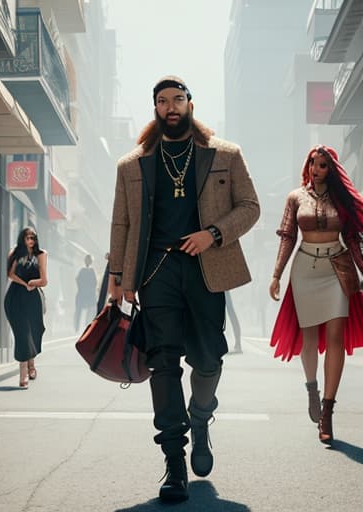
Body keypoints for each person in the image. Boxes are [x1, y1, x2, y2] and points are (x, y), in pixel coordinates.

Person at [108, 76, 260, 503]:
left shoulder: (225, 155)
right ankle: (174, 462)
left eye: (177, 99)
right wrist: (117, 276)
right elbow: (121, 223)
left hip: (205, 269)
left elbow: (251, 207)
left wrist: (213, 233)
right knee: (163, 364)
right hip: (155, 271)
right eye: (162, 101)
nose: (170, 107)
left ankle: (200, 416)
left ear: (190, 103)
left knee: (209, 356)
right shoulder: (132, 165)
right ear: (155, 109)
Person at [269, 144, 363, 444]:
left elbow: (352, 238)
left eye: (323, 165)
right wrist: (276, 275)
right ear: (308, 166)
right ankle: (312, 388)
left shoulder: (342, 199)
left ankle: (327, 412)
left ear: (331, 169)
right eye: (313, 163)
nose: (317, 169)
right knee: (309, 341)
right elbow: (287, 237)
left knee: (335, 338)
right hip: (304, 270)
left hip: (337, 268)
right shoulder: (295, 197)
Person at [4, 227, 48, 389]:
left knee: (35, 331)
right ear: (22, 238)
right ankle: (23, 373)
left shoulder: (41, 254)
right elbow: (10, 274)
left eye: (33, 238)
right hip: (15, 297)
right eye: (28, 238)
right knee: (21, 334)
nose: (31, 241)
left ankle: (31, 363)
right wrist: (24, 284)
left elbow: (44, 280)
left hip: (33, 298)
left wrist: (32, 283)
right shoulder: (14, 252)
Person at [74, 254, 97, 332]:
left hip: (83, 294)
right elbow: (94, 283)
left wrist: (82, 288)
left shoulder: (83, 270)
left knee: (80, 311)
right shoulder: (91, 271)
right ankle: (83, 327)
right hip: (87, 294)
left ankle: (79, 327)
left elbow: (78, 280)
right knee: (86, 311)